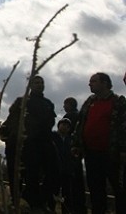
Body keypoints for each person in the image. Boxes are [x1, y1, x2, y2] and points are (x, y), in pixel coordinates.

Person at [0, 75, 58, 211]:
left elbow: (50, 122)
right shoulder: (22, 101)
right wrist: (6, 132)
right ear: (30, 85)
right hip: (26, 143)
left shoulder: (48, 103)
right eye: (36, 82)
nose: (40, 84)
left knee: (54, 172)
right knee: (27, 174)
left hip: (43, 141)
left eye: (42, 82)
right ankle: (26, 201)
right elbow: (12, 120)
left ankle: (39, 198)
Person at [72, 72, 126, 214]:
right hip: (91, 154)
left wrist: (123, 149)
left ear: (105, 83)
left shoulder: (118, 102)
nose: (90, 84)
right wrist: (77, 144)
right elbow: (80, 124)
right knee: (95, 189)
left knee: (119, 189)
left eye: (94, 81)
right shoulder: (89, 102)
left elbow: (123, 127)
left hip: (111, 155)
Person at [63, 97, 87, 214]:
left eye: (65, 104)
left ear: (69, 105)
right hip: (79, 151)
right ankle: (80, 207)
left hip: (70, 151)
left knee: (71, 180)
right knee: (78, 181)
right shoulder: (80, 116)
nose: (63, 107)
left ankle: (70, 207)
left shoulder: (69, 118)